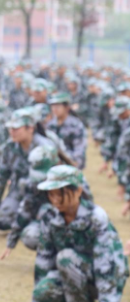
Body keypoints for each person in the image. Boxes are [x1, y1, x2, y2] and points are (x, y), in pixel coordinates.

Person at [33, 165, 129, 301]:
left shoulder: (96, 217)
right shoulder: (50, 217)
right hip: (72, 275)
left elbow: (106, 265)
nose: (55, 200)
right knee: (44, 291)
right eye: (51, 194)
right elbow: (43, 261)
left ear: (78, 191)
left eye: (61, 194)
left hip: (104, 276)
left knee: (65, 258)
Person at [47, 92, 87, 170]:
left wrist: (74, 165)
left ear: (67, 107)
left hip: (70, 165)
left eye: (58, 106)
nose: (54, 109)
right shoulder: (50, 125)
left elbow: (79, 149)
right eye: (53, 106)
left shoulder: (75, 125)